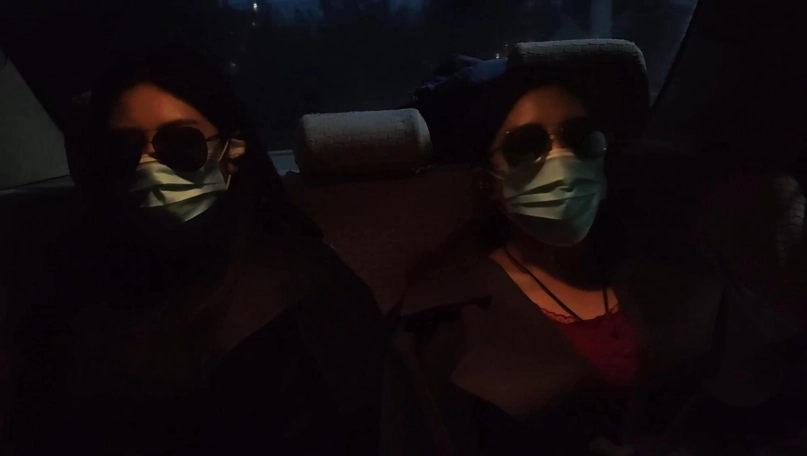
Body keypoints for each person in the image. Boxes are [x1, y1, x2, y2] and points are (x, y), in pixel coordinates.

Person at [9, 46, 387, 455]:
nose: (149, 169)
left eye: (181, 145)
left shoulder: (301, 302)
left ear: (232, 151)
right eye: (124, 150)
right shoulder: (78, 283)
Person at [381, 55, 727, 455]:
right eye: (526, 147)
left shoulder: (675, 276)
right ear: (488, 182)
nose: (562, 161)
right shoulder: (442, 327)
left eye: (579, 139)